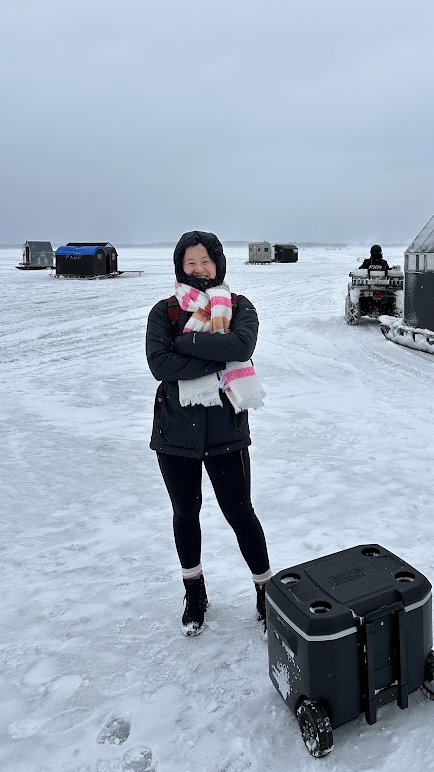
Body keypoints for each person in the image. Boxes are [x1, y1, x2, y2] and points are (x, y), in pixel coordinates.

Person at [146, 230, 272, 636]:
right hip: (175, 435)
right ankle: (195, 593)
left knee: (240, 514)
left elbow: (242, 344)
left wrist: (186, 344)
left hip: (226, 433)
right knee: (186, 515)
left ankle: (265, 591)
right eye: (190, 263)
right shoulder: (164, 312)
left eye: (205, 261)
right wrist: (213, 353)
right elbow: (160, 367)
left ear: (218, 262)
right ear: (180, 267)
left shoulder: (238, 306)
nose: (199, 269)